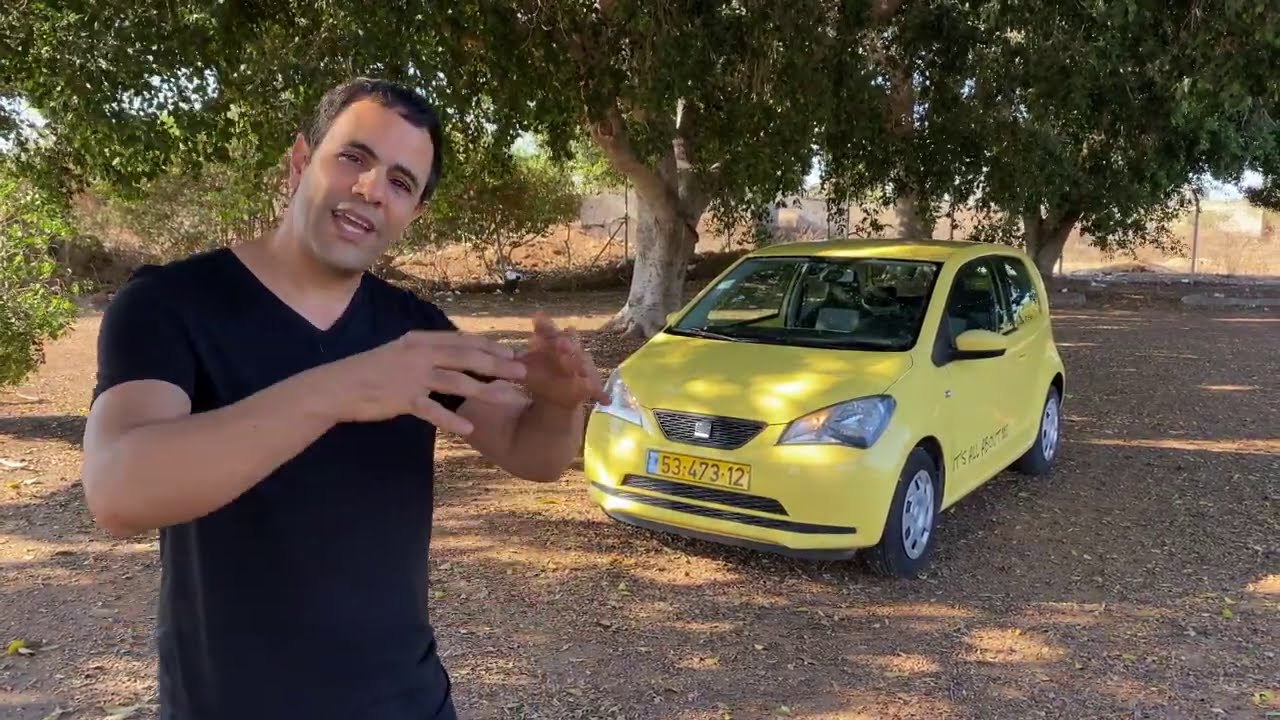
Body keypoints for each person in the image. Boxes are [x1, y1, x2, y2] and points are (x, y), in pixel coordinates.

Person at [80, 77, 609, 720]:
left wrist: (557, 403)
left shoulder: (414, 330)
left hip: (408, 703)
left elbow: (533, 454)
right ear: (300, 162)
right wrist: (340, 388)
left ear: (412, 215)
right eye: (354, 157)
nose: (371, 189)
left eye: (401, 182)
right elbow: (118, 491)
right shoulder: (170, 305)